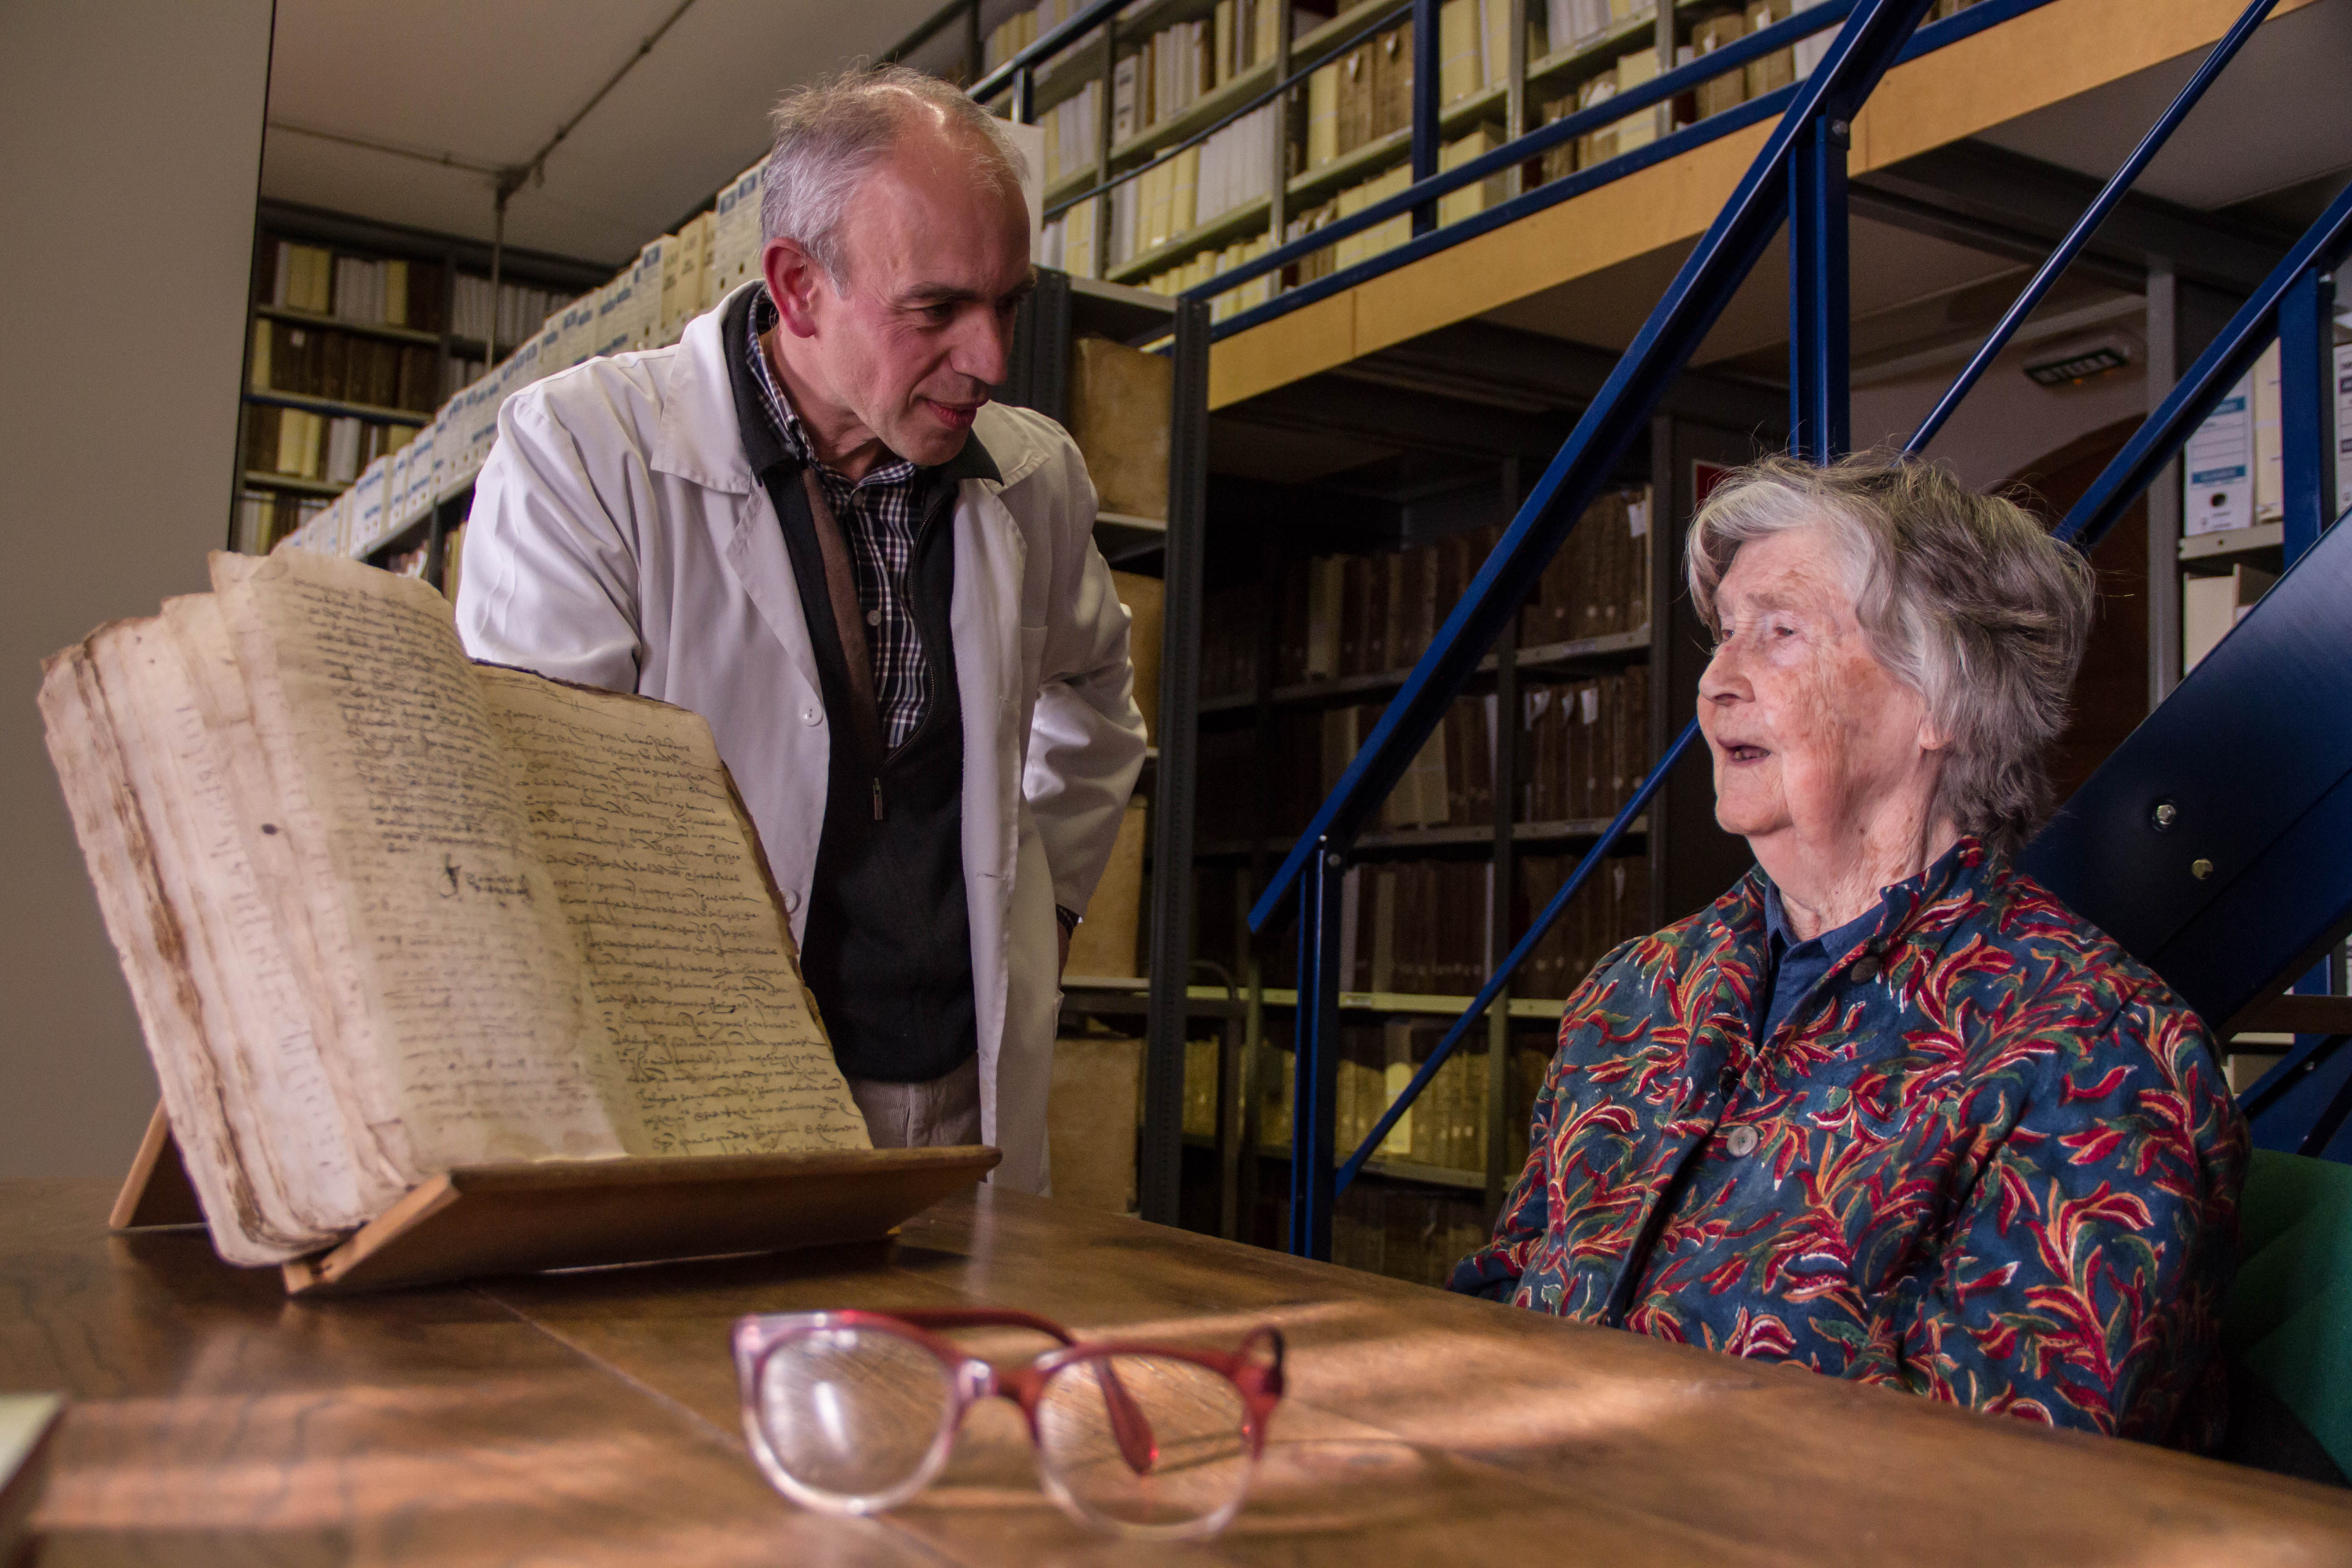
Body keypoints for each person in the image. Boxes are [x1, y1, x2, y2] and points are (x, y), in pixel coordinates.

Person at [1449, 452, 2247, 1445]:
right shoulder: (1634, 995)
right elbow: (1504, 1296)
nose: (1716, 681)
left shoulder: (2102, 1057)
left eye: (1780, 632)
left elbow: (2002, 1487)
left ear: (1942, 700)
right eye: (1724, 633)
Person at [455, 66, 1147, 1192]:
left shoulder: (1036, 479)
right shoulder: (586, 453)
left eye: (1008, 303)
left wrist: (1048, 911)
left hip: (957, 1095)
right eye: (937, 310)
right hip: (705, 1090)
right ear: (800, 286)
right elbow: (545, 801)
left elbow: (1099, 707)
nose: (990, 360)